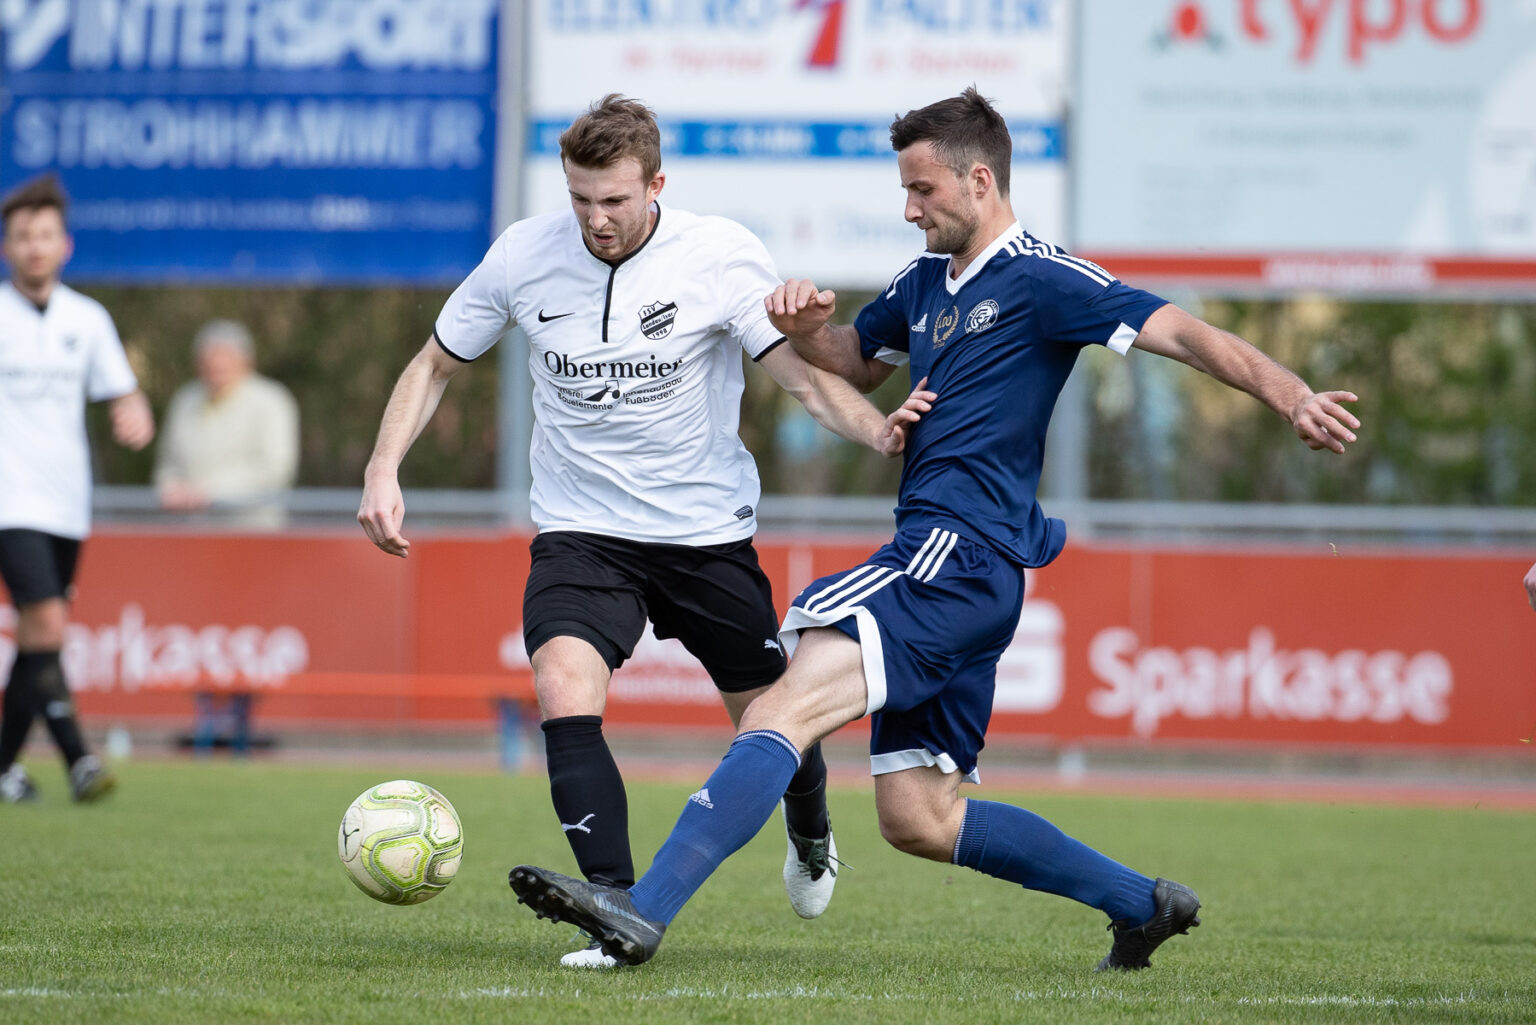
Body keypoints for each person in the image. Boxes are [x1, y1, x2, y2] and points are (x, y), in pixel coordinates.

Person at [508, 87, 1363, 971]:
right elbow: (853, 363)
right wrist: (802, 330)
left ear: (980, 180)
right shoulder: (923, 282)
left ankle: (639, 911)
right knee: (921, 816)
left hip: (952, 552)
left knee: (779, 706)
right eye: (904, 189)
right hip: (966, 566)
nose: (908, 207)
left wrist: (1290, 393)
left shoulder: (1041, 276)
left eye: (922, 190)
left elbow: (1182, 334)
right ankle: (1138, 903)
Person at [358, 95, 927, 968]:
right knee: (560, 680)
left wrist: (878, 429)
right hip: (582, 530)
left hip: (704, 534)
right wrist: (382, 467)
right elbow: (436, 360)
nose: (596, 219)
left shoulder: (719, 254)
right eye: (582, 199)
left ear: (655, 184)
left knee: (775, 719)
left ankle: (810, 829)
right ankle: (614, 905)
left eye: (615, 200)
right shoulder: (522, 254)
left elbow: (801, 381)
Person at [0, 174, 156, 804]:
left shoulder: (86, 319)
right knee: (45, 620)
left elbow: (122, 390)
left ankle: (19, 766)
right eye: (21, 237)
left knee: (43, 637)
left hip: (67, 502)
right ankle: (80, 760)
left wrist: (134, 411)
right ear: (7, 248)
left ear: (64, 245)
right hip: (9, 499)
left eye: (44, 236)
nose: (34, 247)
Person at [154, 319, 300, 529]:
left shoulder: (272, 401)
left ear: (246, 360)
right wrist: (171, 489)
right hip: (190, 533)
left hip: (252, 533)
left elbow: (275, 469)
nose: (217, 363)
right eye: (210, 356)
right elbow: (167, 464)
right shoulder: (184, 400)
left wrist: (210, 492)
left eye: (226, 355)